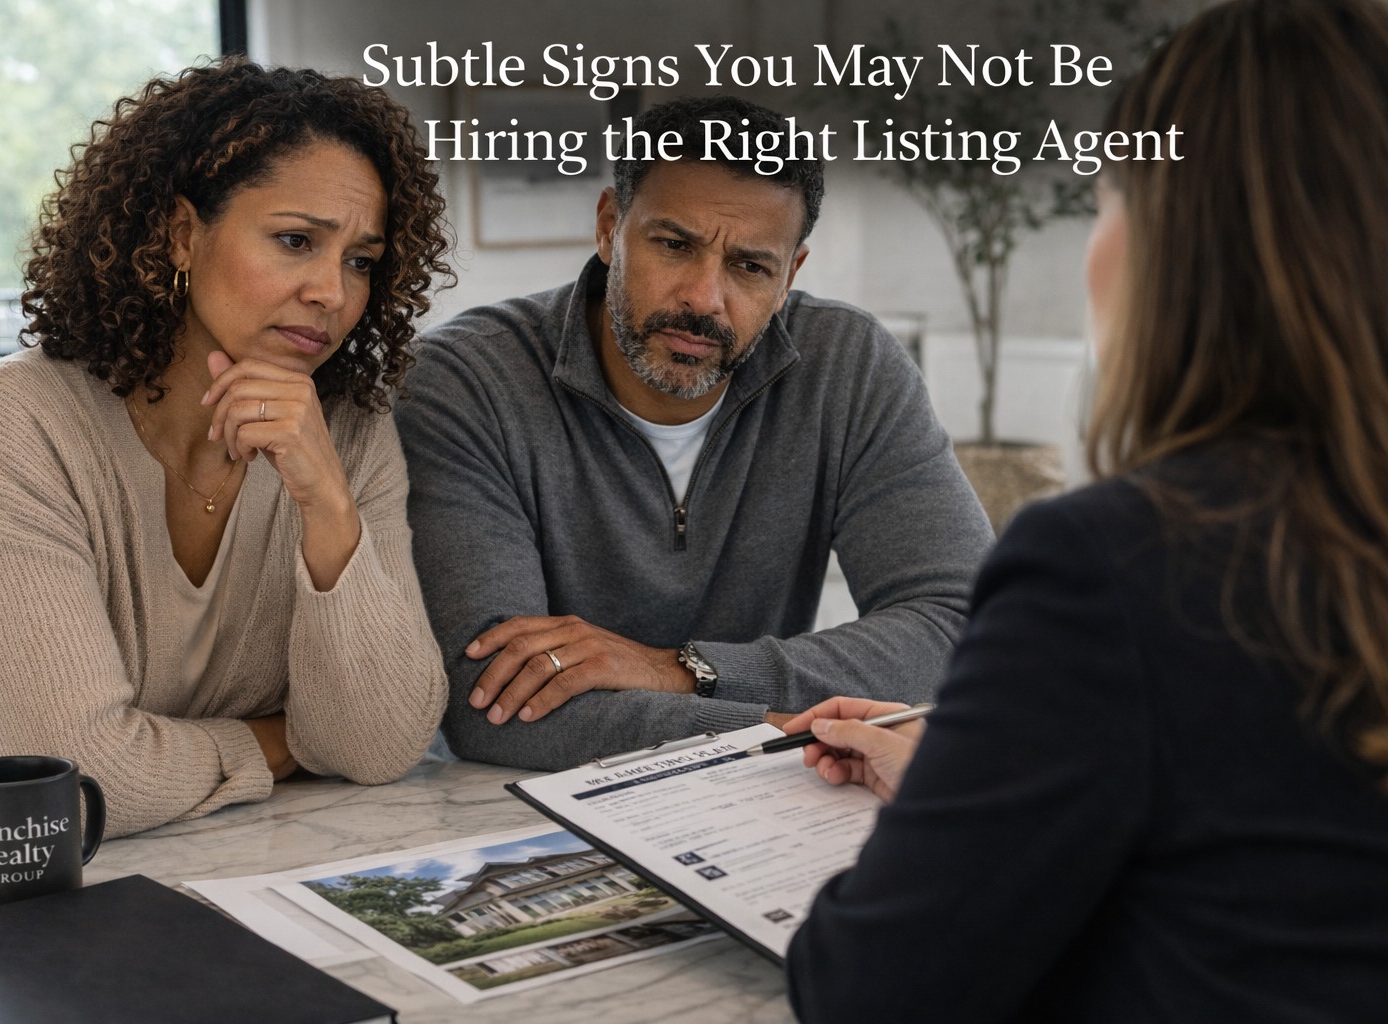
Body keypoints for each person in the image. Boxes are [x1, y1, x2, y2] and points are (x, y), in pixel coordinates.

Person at [783, 1, 1388, 1019]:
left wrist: (953, 818)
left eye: (1105, 200)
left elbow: (864, 987)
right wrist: (997, 774)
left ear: (1177, 249)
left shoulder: (1116, 562)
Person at [0, 59, 453, 841]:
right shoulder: (10, 420)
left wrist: (327, 503)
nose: (331, 293)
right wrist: (285, 740)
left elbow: (380, 746)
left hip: (207, 855)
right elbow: (71, 783)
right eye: (295, 240)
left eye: (360, 261)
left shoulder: (349, 431)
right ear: (179, 235)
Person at [397, 95, 994, 771]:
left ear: (790, 273)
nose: (704, 298)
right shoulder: (467, 381)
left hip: (761, 808)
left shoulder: (848, 367)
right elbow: (495, 709)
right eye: (674, 245)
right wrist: (789, 733)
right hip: (511, 813)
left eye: (749, 266)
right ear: (609, 227)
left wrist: (685, 669)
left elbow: (968, 627)